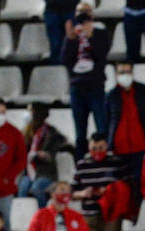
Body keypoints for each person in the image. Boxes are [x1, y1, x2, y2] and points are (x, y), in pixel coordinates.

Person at [72, 134, 127, 231]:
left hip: (111, 216)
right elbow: (72, 192)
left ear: (106, 147)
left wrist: (108, 191)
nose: (97, 151)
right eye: (93, 148)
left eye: (100, 148)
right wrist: (83, 193)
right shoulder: (82, 165)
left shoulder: (116, 163)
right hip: (89, 215)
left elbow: (126, 188)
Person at [106, 61, 145, 188]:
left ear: (133, 73)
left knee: (141, 184)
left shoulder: (144, 91)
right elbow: (107, 119)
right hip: (118, 149)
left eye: (128, 72)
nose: (125, 75)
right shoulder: (111, 95)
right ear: (116, 75)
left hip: (140, 147)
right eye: (121, 72)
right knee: (121, 187)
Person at [63, 10, 110, 147]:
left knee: (102, 127)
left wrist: (91, 37)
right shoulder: (73, 37)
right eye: (80, 21)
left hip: (95, 86)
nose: (82, 25)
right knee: (80, 131)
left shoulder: (100, 34)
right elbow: (65, 60)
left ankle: (104, 156)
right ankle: (81, 160)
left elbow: (102, 56)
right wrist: (70, 40)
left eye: (85, 21)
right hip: (77, 87)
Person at [18, 103, 72, 207]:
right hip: (29, 173)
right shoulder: (25, 132)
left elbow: (54, 152)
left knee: (37, 188)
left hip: (46, 173)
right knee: (23, 187)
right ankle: (23, 214)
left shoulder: (52, 133)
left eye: (30, 111)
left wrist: (46, 155)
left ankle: (43, 213)